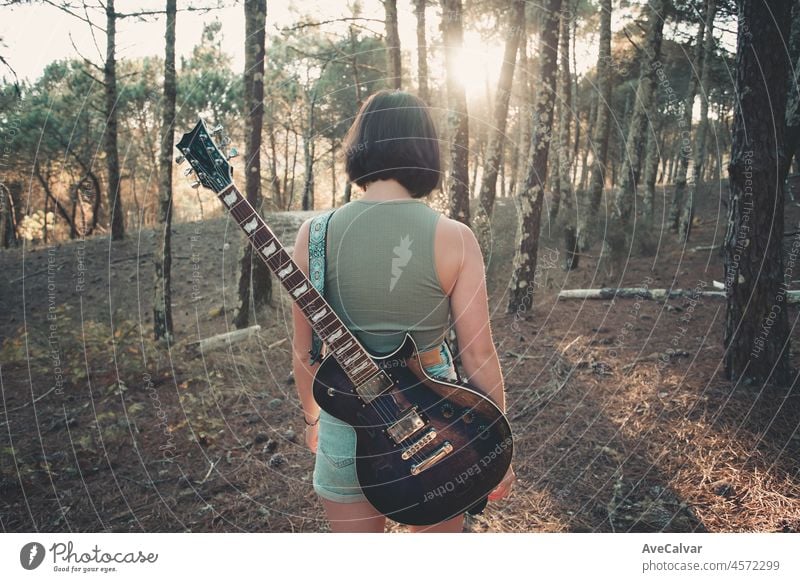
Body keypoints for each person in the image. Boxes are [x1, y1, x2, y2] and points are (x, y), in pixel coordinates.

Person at [291, 89, 514, 533]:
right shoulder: (455, 238)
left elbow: (304, 354)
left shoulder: (313, 236)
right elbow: (478, 356)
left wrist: (313, 418)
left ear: (361, 146)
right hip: (441, 429)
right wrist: (497, 448)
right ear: (425, 150)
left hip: (347, 426)